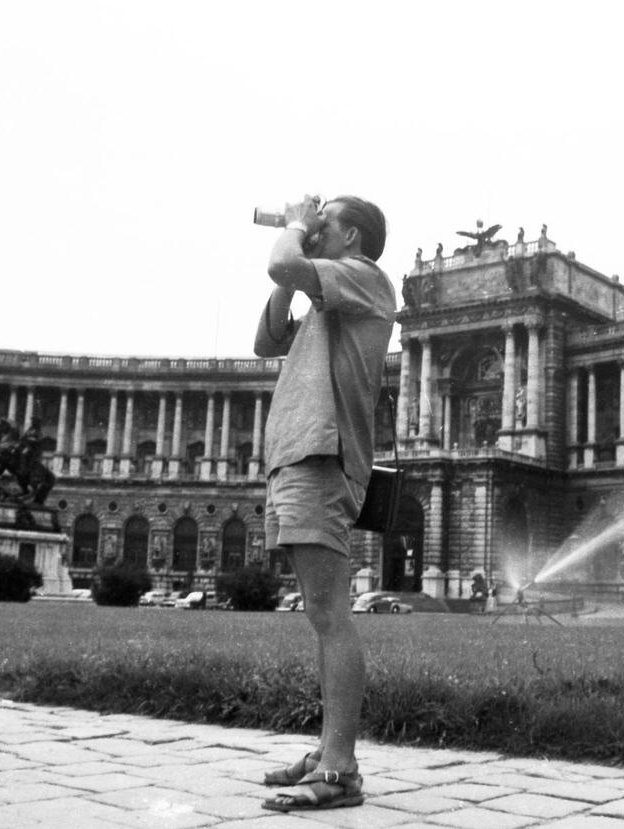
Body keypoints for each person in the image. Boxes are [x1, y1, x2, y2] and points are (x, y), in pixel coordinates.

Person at [253, 194, 395, 812]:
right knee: (320, 613)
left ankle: (340, 769)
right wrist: (298, 263)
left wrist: (292, 227)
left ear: (353, 236)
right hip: (296, 455)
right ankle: (327, 750)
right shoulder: (328, 299)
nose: (314, 229)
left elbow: (282, 263)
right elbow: (264, 341)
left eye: (324, 222)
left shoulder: (366, 280)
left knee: (332, 613)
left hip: (323, 457)